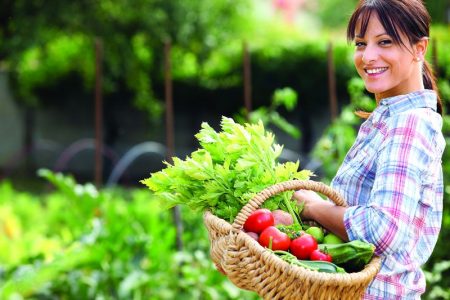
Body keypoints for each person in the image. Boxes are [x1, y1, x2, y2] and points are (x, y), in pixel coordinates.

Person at [293, 0, 445, 299]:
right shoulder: (388, 118)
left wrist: (313, 207)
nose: (368, 56)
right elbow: (355, 216)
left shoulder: (409, 124)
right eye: (361, 43)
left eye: (385, 41)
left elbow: (382, 230)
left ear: (420, 48)